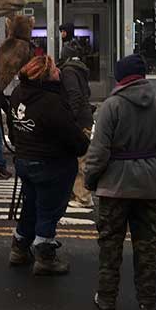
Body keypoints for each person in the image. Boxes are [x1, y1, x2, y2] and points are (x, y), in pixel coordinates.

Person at [84, 54, 156, 310]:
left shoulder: (111, 107)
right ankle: (148, 300)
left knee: (110, 244)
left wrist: (91, 179)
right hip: (147, 186)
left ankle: (107, 297)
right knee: (146, 245)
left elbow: (98, 151)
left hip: (114, 186)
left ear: (121, 77)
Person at [7, 55, 90, 276]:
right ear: (45, 75)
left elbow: (12, 128)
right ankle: (44, 255)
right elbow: (74, 139)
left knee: (31, 206)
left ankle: (20, 246)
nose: (59, 72)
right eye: (54, 70)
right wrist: (83, 142)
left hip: (25, 161)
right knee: (48, 210)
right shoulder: (51, 102)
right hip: (51, 165)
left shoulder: (18, 94)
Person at [59, 51, 94, 207]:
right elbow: (86, 93)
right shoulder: (80, 71)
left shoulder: (68, 72)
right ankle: (77, 193)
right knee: (77, 158)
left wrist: (69, 117)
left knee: (80, 160)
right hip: (84, 118)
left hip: (78, 121)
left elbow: (74, 95)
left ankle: (83, 197)